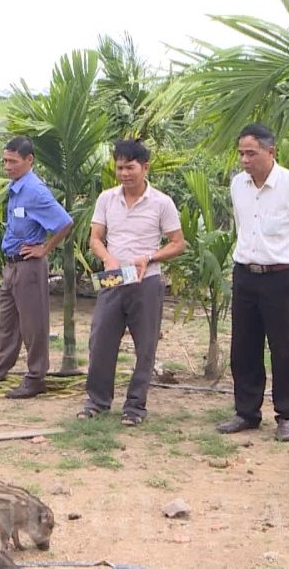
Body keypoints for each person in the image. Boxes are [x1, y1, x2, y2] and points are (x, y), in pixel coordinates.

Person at [216, 124, 289, 442]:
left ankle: (287, 415)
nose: (245, 160)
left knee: (283, 348)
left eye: (251, 153)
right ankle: (246, 412)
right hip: (245, 274)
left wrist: (277, 252)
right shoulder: (238, 185)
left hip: (280, 277)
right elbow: (242, 225)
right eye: (241, 154)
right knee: (243, 345)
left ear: (270, 152)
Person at [77, 139, 184, 426]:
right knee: (100, 341)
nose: (124, 173)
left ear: (145, 167)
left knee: (145, 346)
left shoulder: (161, 202)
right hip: (113, 279)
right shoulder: (107, 199)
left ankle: (135, 407)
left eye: (130, 167)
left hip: (146, 281)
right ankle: (97, 402)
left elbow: (178, 243)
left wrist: (150, 257)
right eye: (120, 167)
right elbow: (95, 238)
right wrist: (107, 258)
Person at [0, 137, 73, 399]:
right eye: (5, 161)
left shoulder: (35, 191)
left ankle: (36, 377)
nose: (7, 166)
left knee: (33, 325)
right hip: (12, 266)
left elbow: (64, 222)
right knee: (7, 322)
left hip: (29, 266)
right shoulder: (16, 186)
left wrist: (45, 248)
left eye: (13, 161)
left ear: (29, 160)